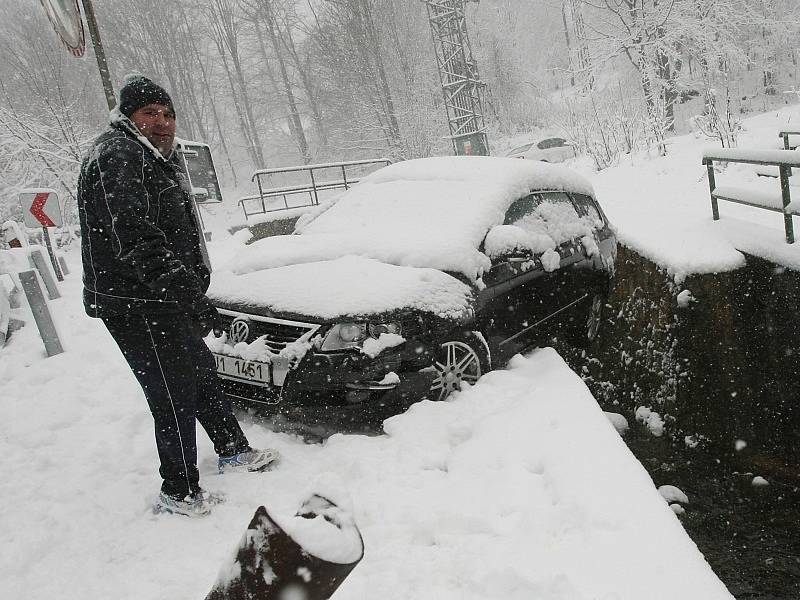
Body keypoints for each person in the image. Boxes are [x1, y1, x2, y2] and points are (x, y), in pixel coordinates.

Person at [77, 74, 278, 518]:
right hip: (139, 304)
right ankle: (179, 490)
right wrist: (190, 296)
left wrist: (187, 294)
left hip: (161, 298)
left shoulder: (146, 155)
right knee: (171, 392)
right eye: (150, 113)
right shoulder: (119, 156)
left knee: (201, 371)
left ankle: (232, 449)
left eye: (168, 114)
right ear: (128, 117)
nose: (163, 123)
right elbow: (137, 240)